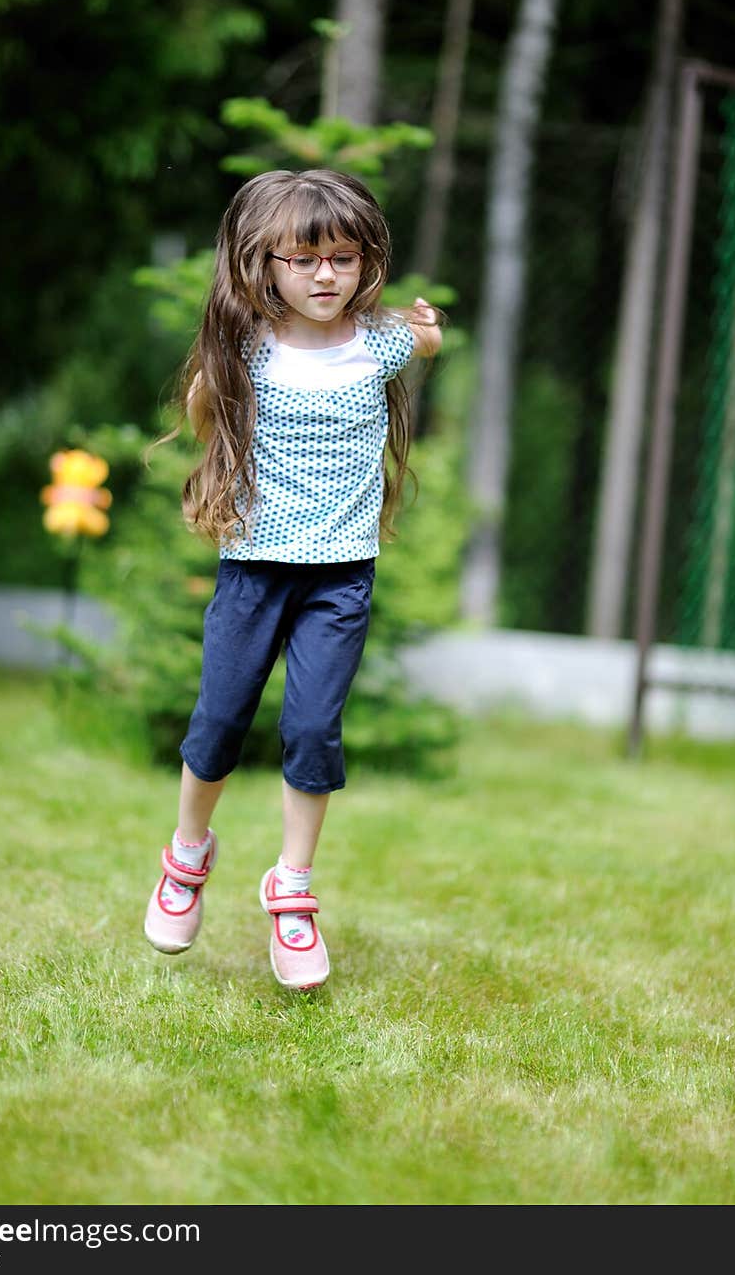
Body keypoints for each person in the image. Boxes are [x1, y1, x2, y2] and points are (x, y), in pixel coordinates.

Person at [143, 167, 442, 991]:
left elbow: (423, 342)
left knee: (313, 732)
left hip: (340, 579)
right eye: (304, 259)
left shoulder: (377, 343)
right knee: (219, 723)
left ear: (365, 263)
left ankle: (294, 891)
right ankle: (187, 856)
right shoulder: (245, 350)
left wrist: (427, 328)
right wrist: (215, 409)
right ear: (264, 264)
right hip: (253, 571)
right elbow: (206, 403)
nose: (325, 276)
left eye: (344, 258)